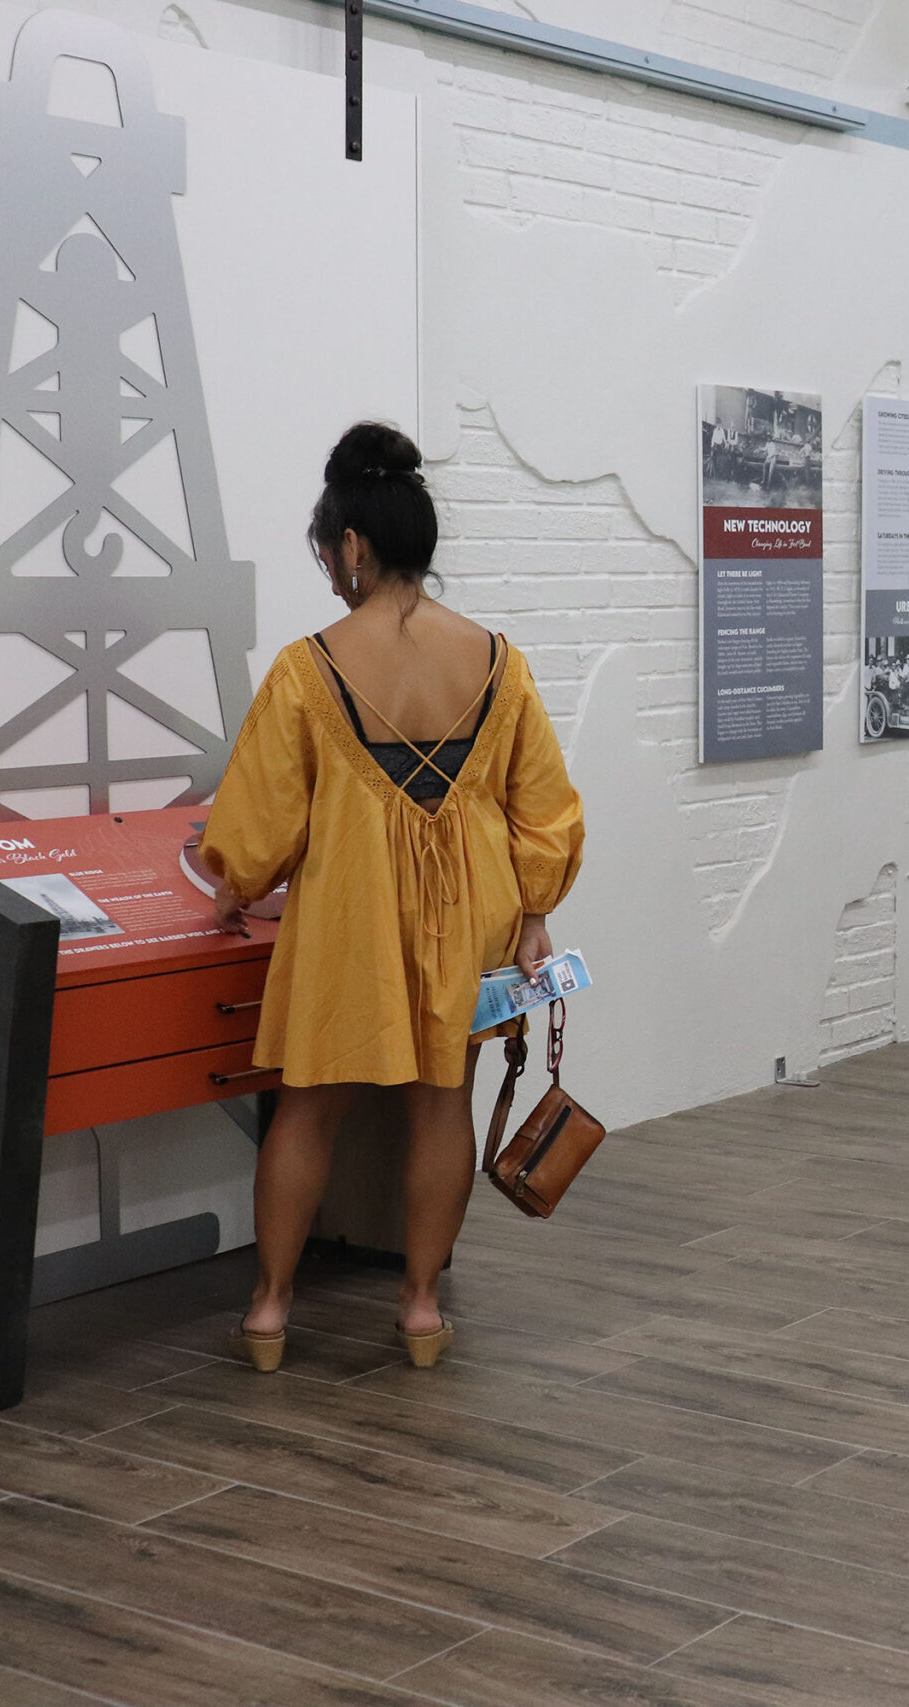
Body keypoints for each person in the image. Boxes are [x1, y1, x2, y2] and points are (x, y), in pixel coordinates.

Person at [201, 423, 586, 1371]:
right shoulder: (498, 662)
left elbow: (255, 830)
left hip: (348, 920)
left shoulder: (309, 668)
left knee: (308, 1109)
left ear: (355, 546)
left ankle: (269, 1311)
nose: (333, 572)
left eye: (331, 552)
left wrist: (235, 882)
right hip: (470, 922)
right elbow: (546, 809)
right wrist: (534, 906)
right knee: (438, 1105)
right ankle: (418, 1309)